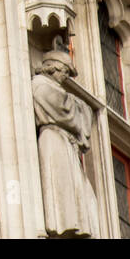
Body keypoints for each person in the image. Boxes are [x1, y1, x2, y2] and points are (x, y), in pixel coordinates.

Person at [31, 50, 99, 238]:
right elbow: (64, 110)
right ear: (53, 68)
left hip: (64, 142)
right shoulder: (40, 85)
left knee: (77, 195)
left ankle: (73, 225)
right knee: (60, 189)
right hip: (53, 141)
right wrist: (79, 106)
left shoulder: (52, 87)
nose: (66, 77)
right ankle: (62, 225)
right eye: (65, 72)